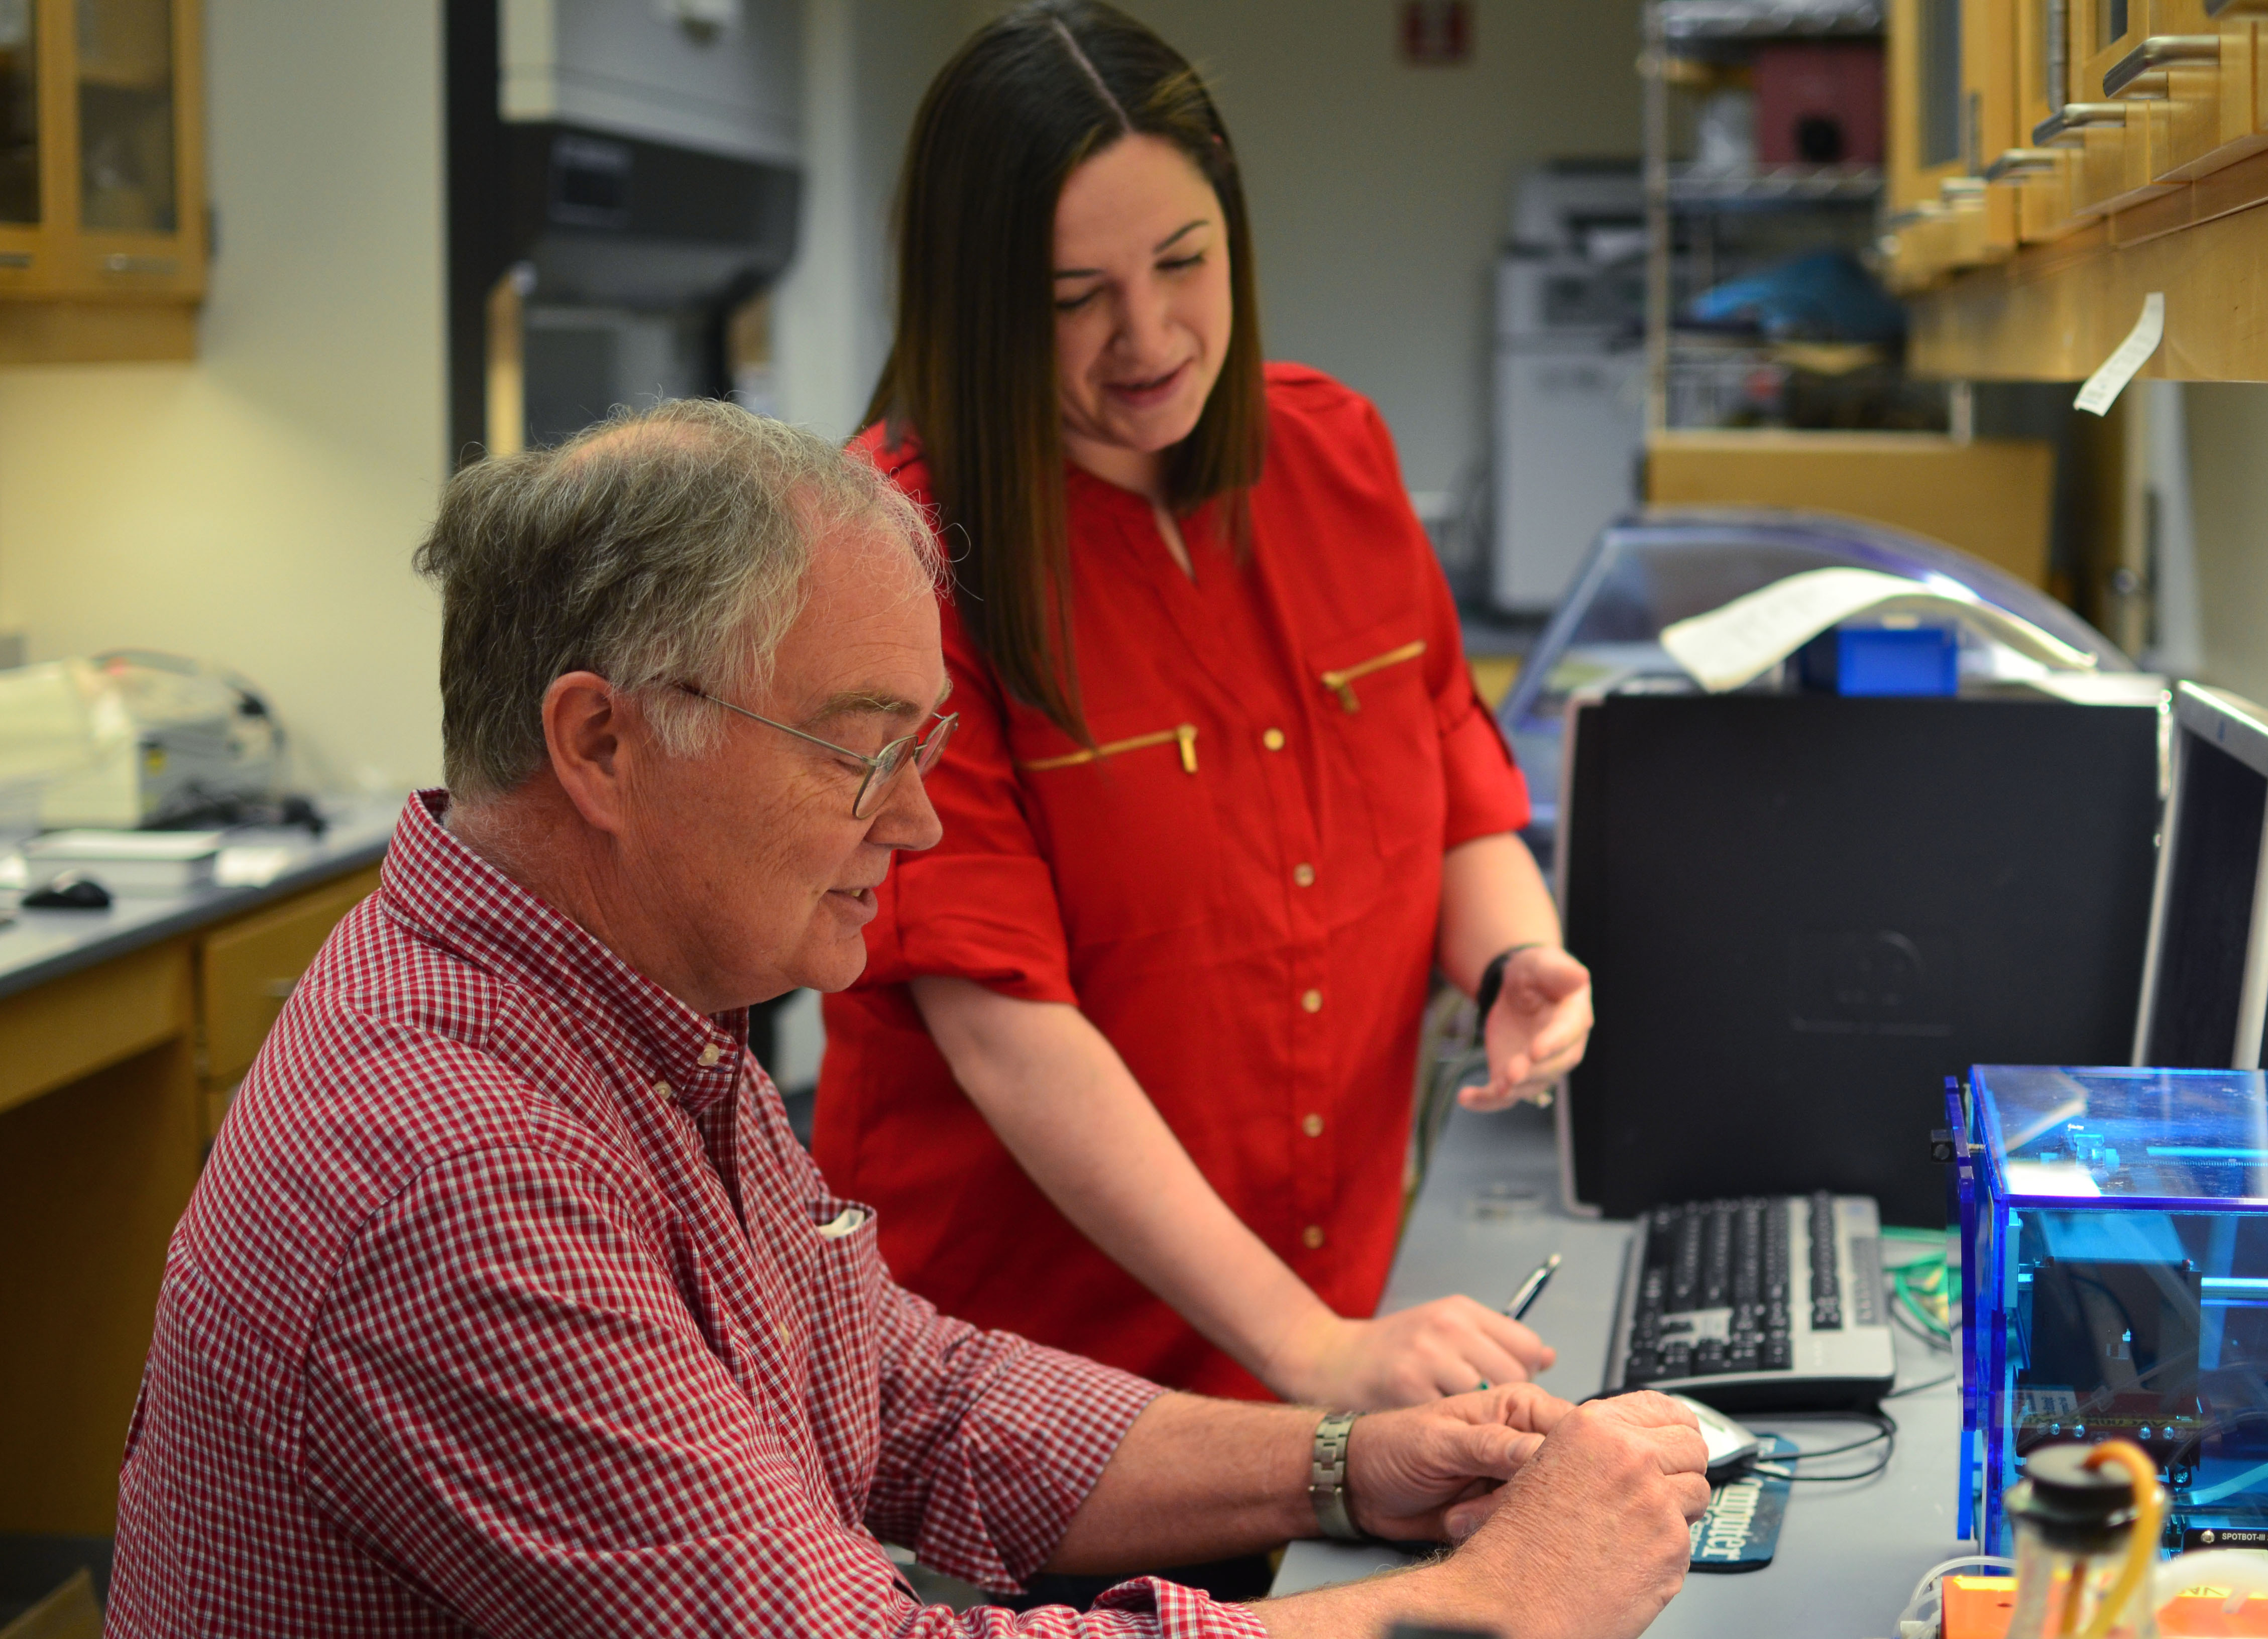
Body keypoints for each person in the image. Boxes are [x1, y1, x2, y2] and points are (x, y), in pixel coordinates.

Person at [99, 401, 1710, 1639]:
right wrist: (1484, 1604)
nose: (924, 826)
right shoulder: (456, 1169)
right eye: (865, 751)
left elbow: (907, 1392)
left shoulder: (625, 1005)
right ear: (600, 744)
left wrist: (1344, 1463)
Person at [813, 0, 1596, 1415]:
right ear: (978, 299)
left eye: (1186, 262)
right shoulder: (902, 560)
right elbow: (1003, 1024)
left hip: (1338, 1338)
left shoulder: (1335, 453)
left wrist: (1510, 961)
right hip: (1030, 1398)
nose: (1150, 335)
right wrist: (1310, 1350)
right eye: (1073, 299)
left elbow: (1447, 769)